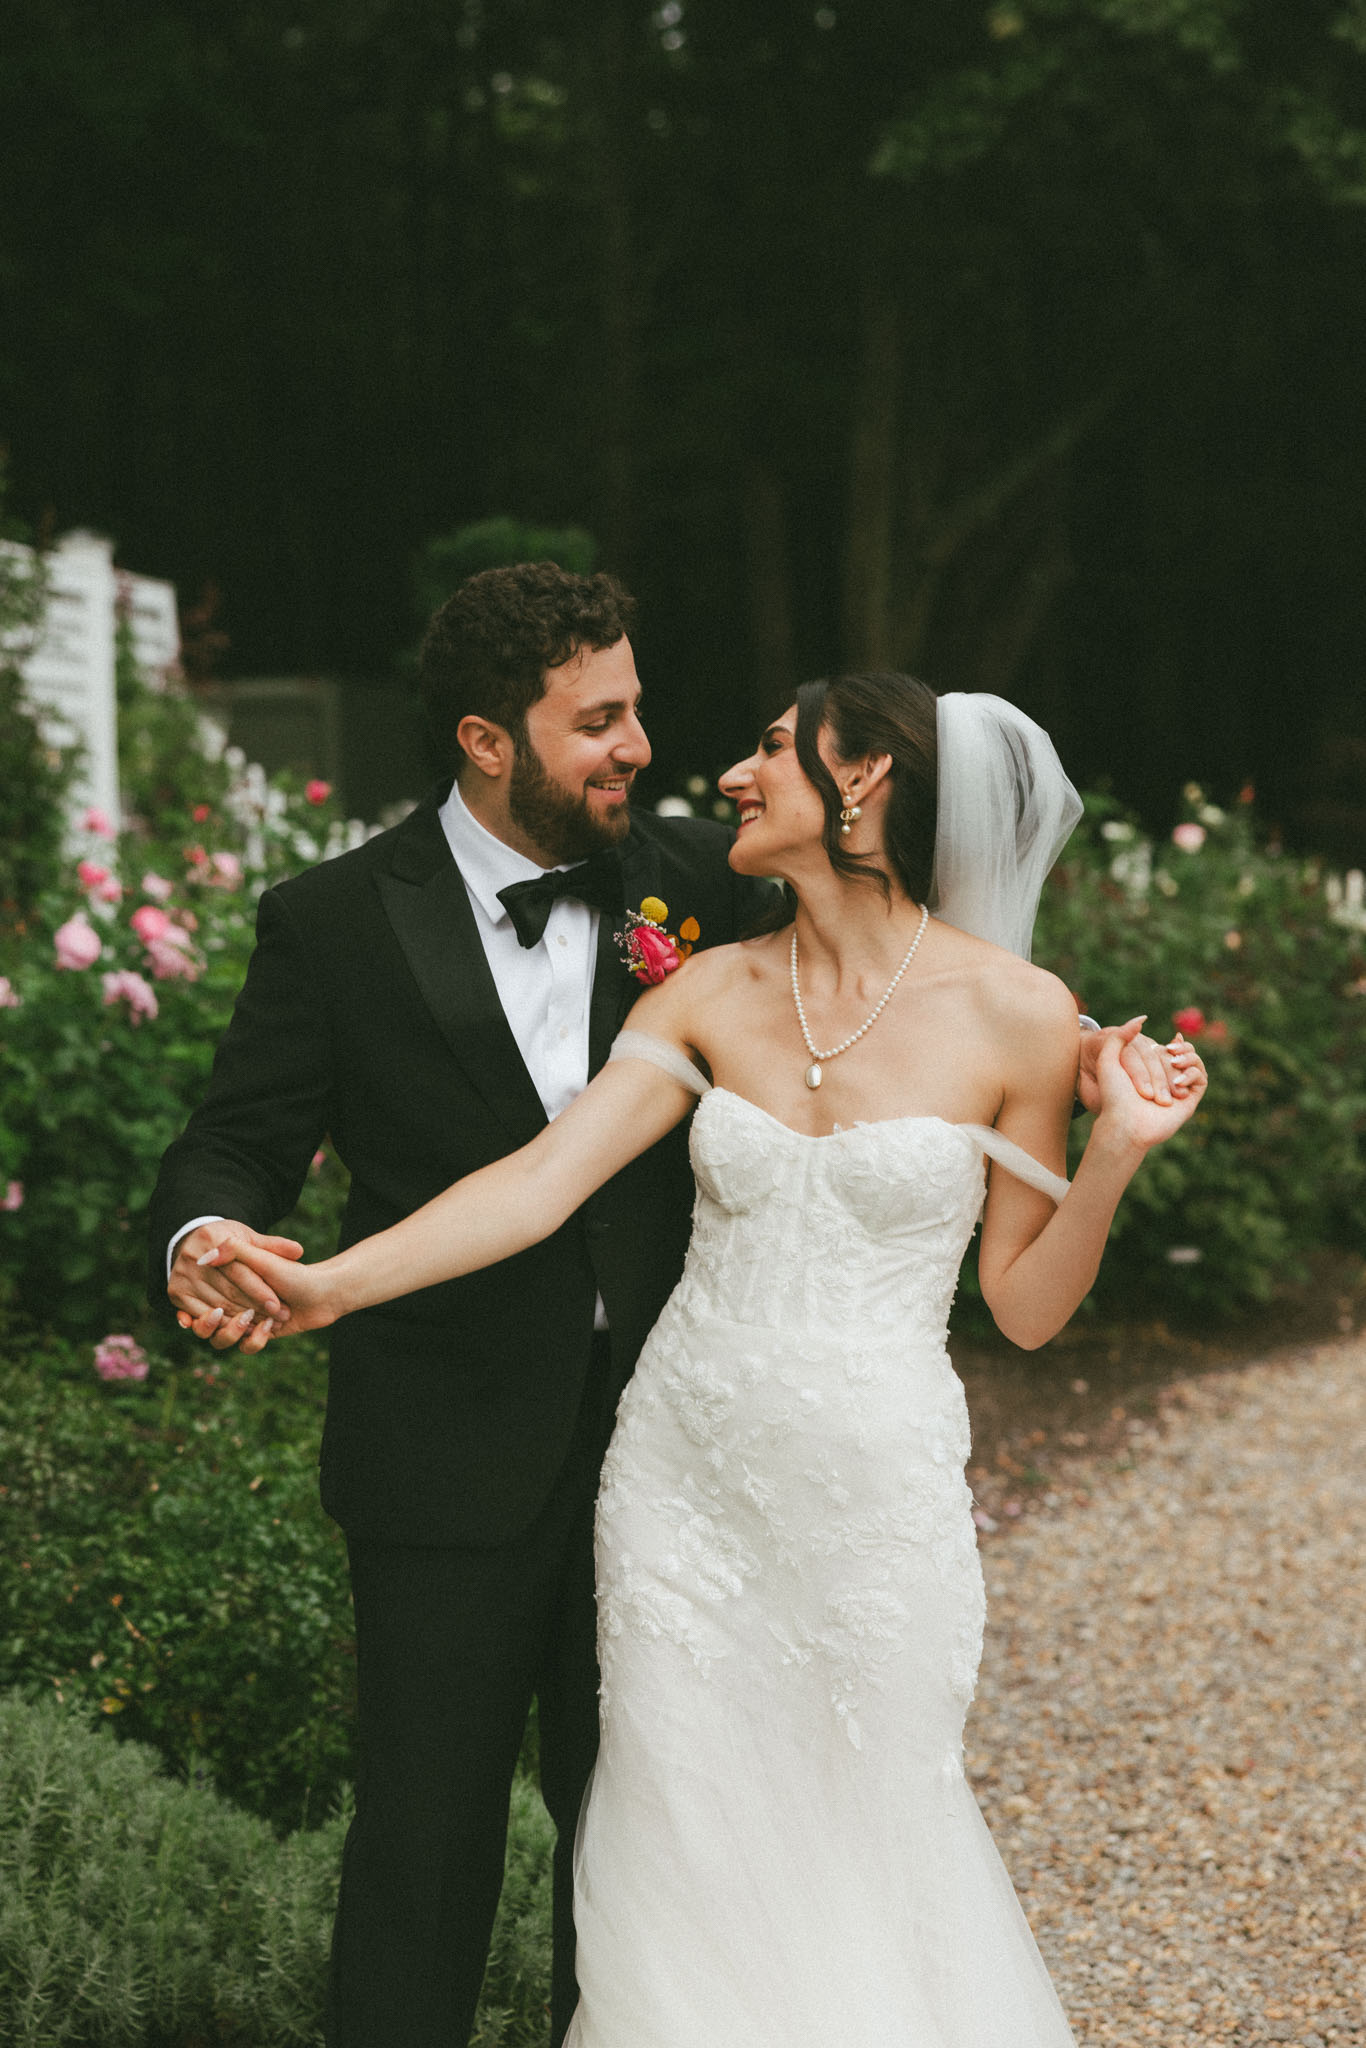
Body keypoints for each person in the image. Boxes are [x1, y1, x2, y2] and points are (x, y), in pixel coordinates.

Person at [187, 668, 1207, 2047]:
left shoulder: (1019, 1013)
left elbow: (1022, 1307)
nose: (729, 772)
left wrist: (1116, 1160)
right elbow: (541, 1184)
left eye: (773, 750)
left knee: (867, 1821)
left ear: (864, 786)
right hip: (679, 1488)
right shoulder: (710, 990)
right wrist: (330, 1285)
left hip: (873, 1489)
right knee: (678, 1848)